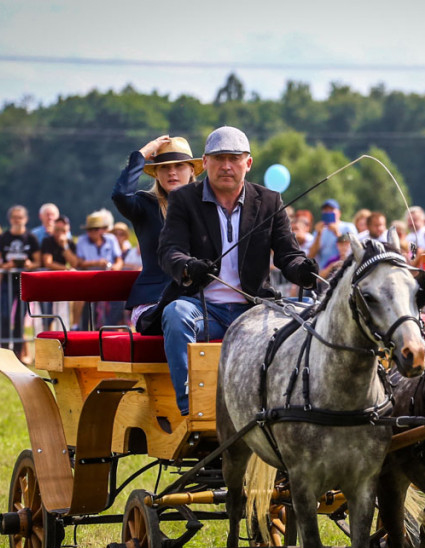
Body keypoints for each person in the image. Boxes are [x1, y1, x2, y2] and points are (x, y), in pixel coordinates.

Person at [155, 125, 317, 416]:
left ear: (248, 163)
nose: (226, 166)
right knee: (176, 315)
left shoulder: (269, 201)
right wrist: (189, 267)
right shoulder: (183, 199)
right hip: (204, 309)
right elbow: (169, 252)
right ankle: (191, 408)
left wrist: (302, 269)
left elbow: (288, 255)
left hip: (255, 310)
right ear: (204, 163)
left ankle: (295, 409)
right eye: (218, 158)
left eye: (234, 158)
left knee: (313, 314)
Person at [112, 135, 202, 332]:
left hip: (196, 303)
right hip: (153, 303)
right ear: (156, 174)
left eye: (179, 166)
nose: (172, 173)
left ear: (192, 170)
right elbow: (120, 194)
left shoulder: (206, 208)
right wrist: (143, 154)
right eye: (164, 167)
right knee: (176, 315)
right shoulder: (145, 205)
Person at [0, 205, 40, 361]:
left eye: (20, 217)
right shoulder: (3, 237)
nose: (17, 220)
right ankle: (4, 354)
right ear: (10, 219)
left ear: (25, 219)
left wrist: (29, 264)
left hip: (23, 283)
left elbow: (38, 261)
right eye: (14, 217)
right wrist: (5, 266)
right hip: (7, 281)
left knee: (20, 320)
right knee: (5, 316)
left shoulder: (31, 238)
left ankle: (17, 354)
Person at [76, 210, 124, 328]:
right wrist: (96, 263)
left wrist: (115, 268)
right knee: (86, 316)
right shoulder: (82, 241)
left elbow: (119, 260)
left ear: (102, 229)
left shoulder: (111, 239)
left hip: (108, 283)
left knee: (108, 317)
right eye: (90, 229)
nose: (93, 232)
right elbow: (80, 263)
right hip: (88, 284)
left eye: (96, 229)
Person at [307, 199, 356, 269]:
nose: (328, 212)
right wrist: (318, 234)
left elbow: (354, 249)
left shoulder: (348, 227)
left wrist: (337, 233)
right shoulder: (319, 230)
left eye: (331, 210)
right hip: (323, 272)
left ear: (339, 213)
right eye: (325, 210)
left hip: (344, 269)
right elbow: (311, 255)